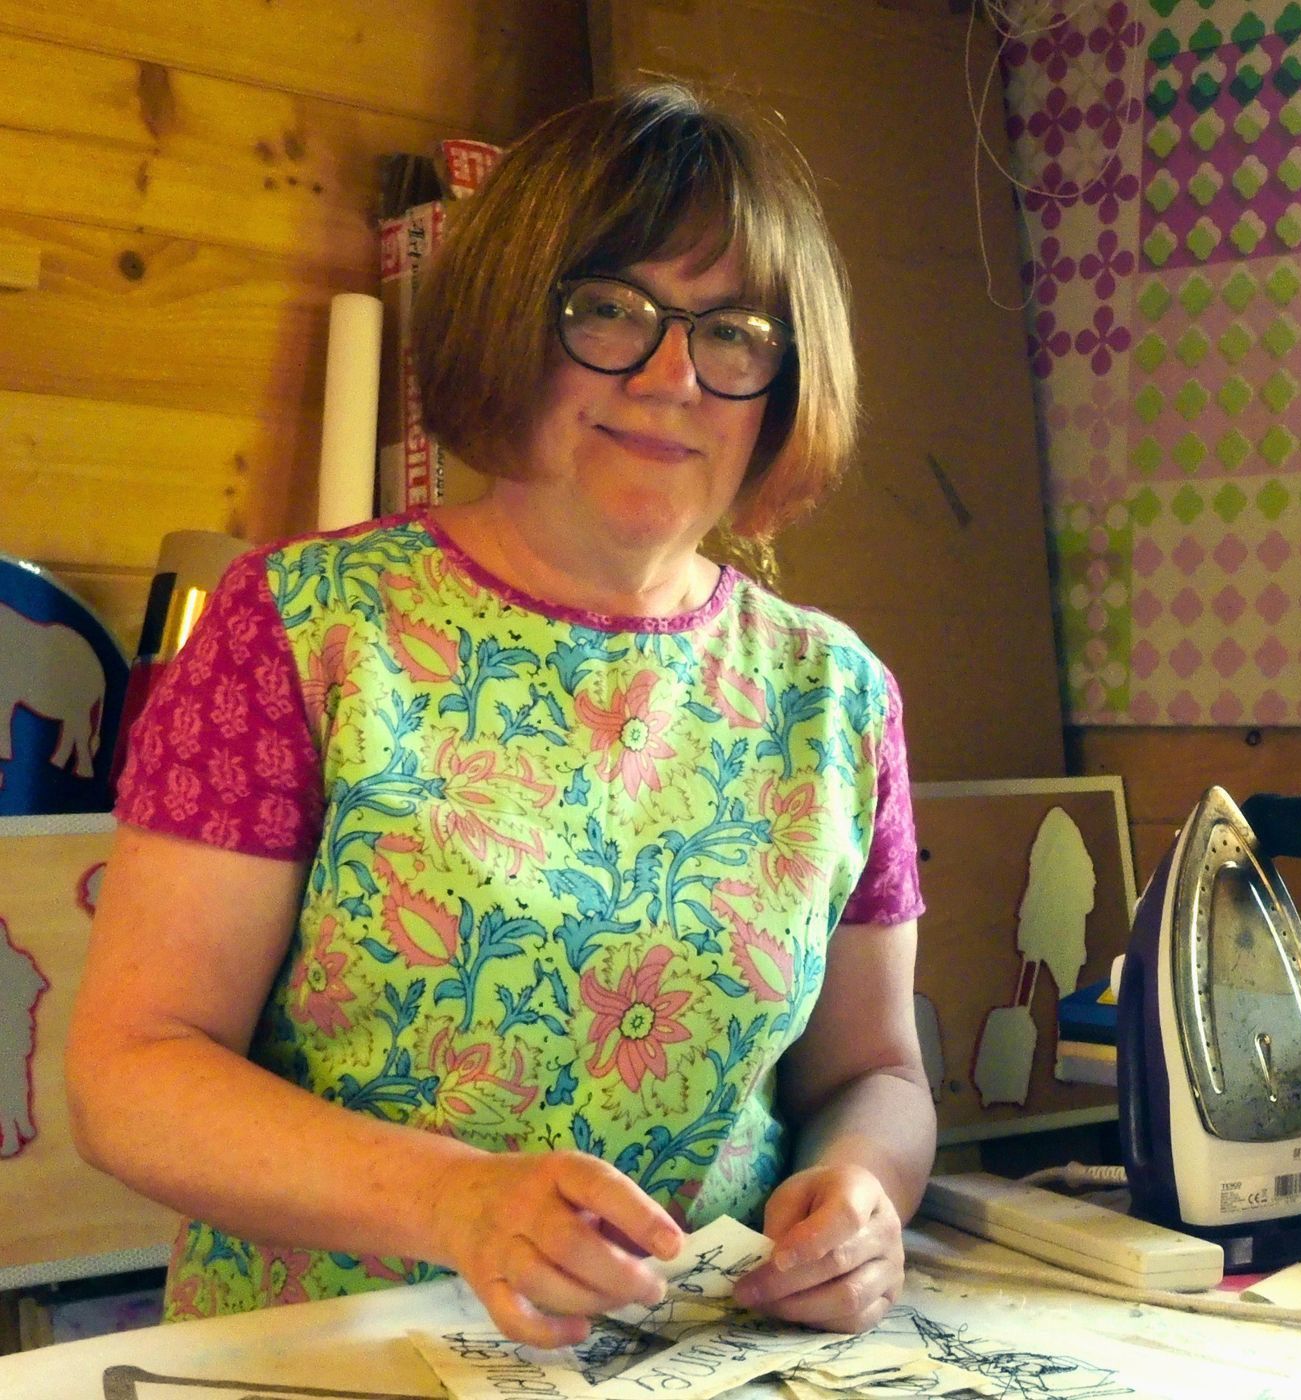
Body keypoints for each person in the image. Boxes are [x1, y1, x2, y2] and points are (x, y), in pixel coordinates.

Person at [66, 81, 935, 1347]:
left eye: (732, 331)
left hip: (708, 1360)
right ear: (509, 322)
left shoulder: (836, 695)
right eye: (608, 309)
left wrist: (866, 1190)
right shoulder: (299, 633)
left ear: (782, 381)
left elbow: (873, 1073)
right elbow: (132, 1070)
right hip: (339, 1357)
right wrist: (451, 1196)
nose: (671, 375)